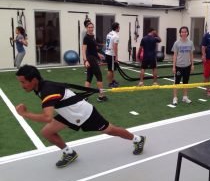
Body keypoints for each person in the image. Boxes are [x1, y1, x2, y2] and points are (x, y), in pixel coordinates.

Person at [15, 65, 146, 168]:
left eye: (23, 82)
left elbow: (47, 117)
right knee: (47, 132)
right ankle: (69, 153)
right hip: (68, 114)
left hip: (84, 114)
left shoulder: (47, 90)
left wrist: (25, 114)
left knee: (110, 130)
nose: (22, 86)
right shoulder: (39, 88)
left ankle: (138, 139)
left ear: (34, 80)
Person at [82, 22, 107, 102]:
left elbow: (92, 49)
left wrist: (98, 54)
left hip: (93, 57)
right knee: (99, 77)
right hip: (90, 59)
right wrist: (85, 61)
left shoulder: (92, 36)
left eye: (92, 27)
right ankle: (101, 96)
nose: (91, 29)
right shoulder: (86, 38)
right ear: (86, 28)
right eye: (89, 27)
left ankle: (85, 96)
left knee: (89, 78)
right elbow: (83, 50)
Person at [171, 26, 195, 105]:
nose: (184, 33)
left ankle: (185, 97)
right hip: (178, 66)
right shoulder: (177, 43)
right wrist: (174, 67)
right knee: (176, 83)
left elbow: (191, 54)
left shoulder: (190, 43)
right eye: (182, 32)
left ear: (187, 33)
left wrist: (192, 65)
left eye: (185, 32)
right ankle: (175, 98)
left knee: (186, 82)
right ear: (180, 33)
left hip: (187, 66)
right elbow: (174, 55)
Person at [105, 22, 120, 88]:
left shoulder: (109, 33)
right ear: (116, 28)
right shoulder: (116, 36)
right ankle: (110, 83)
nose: (119, 28)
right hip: (111, 54)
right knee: (110, 70)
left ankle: (112, 81)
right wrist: (116, 56)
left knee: (112, 69)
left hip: (107, 53)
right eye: (119, 27)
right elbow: (115, 46)